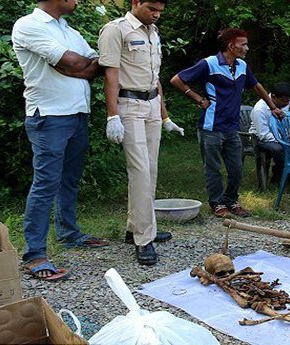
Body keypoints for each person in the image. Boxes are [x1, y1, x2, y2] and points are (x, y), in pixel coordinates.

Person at [12, 0, 108, 280]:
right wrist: (74, 66)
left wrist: (73, 67)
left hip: (77, 113)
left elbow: (95, 65)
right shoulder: (28, 25)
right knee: (45, 183)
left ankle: (68, 232)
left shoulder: (69, 31)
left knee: (69, 179)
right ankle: (35, 254)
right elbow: (74, 62)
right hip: (49, 116)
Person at [98, 0, 180, 266]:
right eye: (151, 9)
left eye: (160, 11)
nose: (156, 15)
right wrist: (113, 116)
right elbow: (110, 75)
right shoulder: (116, 30)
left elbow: (154, 77)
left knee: (151, 169)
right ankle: (144, 239)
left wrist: (165, 116)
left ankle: (136, 226)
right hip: (129, 106)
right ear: (135, 3)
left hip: (152, 105)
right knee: (140, 171)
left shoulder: (152, 32)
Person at [170, 28, 283, 218]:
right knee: (213, 168)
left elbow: (256, 86)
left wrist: (273, 106)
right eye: (243, 44)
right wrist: (198, 99)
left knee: (236, 169)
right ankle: (216, 203)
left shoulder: (241, 66)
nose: (247, 48)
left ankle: (231, 200)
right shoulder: (209, 64)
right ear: (231, 46)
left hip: (232, 128)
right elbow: (177, 80)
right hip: (211, 127)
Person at [248, 81, 290, 185]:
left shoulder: (287, 99)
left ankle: (281, 175)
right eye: (284, 102)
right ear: (273, 97)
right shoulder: (260, 109)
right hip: (262, 139)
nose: (287, 104)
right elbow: (264, 135)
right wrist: (284, 141)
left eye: (288, 101)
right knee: (279, 149)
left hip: (282, 135)